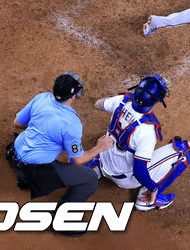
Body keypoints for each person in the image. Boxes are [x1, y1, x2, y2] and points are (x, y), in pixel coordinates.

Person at [6, 72, 115, 236]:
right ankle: (61, 223)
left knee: (37, 151)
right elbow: (78, 160)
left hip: (13, 154)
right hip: (34, 171)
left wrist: (42, 128)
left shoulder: (41, 98)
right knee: (90, 178)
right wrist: (99, 148)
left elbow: (17, 123)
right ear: (73, 96)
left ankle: (24, 181)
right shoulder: (71, 124)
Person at [87, 74, 190, 211]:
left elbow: (98, 104)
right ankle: (147, 200)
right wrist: (153, 189)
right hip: (124, 178)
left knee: (113, 139)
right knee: (183, 151)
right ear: (157, 100)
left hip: (102, 158)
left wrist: (112, 103)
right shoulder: (147, 131)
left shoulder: (121, 100)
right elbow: (139, 171)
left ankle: (95, 168)